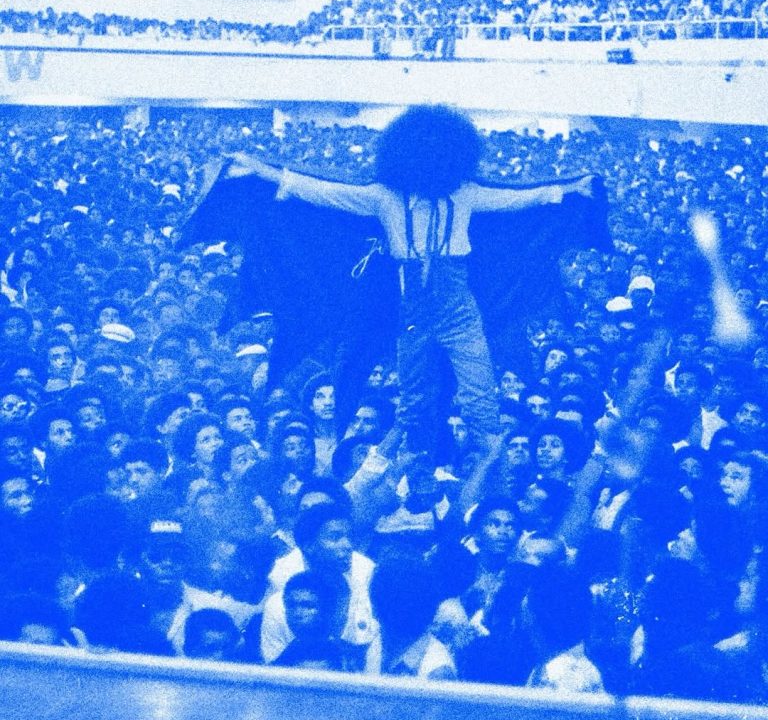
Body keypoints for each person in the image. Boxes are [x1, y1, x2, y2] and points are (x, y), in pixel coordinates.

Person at [226, 105, 595, 463]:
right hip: (412, 305)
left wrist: (569, 189)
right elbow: (323, 190)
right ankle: (417, 467)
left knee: (480, 396)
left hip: (457, 306)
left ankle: (493, 467)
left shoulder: (464, 194)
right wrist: (263, 172)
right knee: (414, 402)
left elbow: (518, 197)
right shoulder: (384, 197)